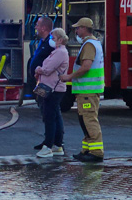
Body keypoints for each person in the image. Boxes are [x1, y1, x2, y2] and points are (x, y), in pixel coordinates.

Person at [59, 17, 105, 162]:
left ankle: (96, 152)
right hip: (87, 91)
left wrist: (69, 77)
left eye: (78, 28)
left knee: (89, 119)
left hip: (87, 91)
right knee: (84, 119)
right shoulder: (93, 43)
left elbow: (86, 67)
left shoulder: (89, 45)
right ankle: (87, 149)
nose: (76, 31)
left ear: (84, 29)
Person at [34, 28, 69, 157]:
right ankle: (57, 145)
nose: (51, 40)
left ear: (60, 39)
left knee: (49, 117)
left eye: (53, 38)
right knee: (55, 116)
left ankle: (48, 146)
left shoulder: (60, 52)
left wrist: (38, 69)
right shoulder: (57, 51)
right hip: (50, 87)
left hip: (52, 89)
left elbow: (47, 69)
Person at [27, 16, 54, 149]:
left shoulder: (50, 43)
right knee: (44, 111)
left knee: (50, 112)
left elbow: (51, 65)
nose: (35, 27)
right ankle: (48, 140)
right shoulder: (44, 42)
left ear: (44, 28)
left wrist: (38, 70)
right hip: (41, 83)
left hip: (47, 85)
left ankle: (53, 142)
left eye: (37, 25)